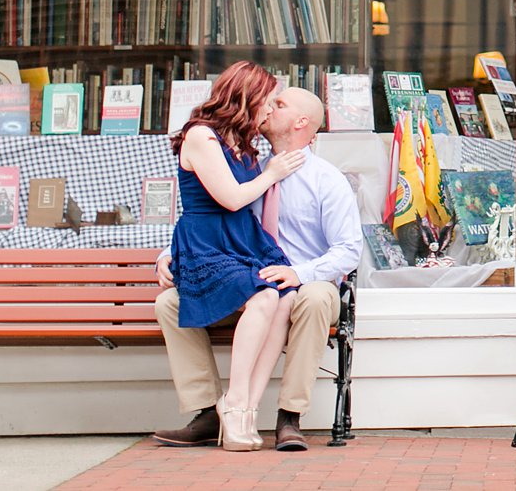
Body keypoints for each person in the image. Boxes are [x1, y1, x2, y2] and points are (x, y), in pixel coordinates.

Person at [152, 82, 362, 453]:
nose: (267, 107)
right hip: (249, 282)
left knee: (312, 299)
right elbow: (211, 219)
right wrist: (170, 255)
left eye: (278, 104)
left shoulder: (326, 180)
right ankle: (209, 412)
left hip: (305, 281)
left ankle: (289, 416)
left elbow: (349, 250)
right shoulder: (249, 171)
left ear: (300, 122)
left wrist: (301, 273)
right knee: (169, 303)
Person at [157, 61, 306, 452]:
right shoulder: (200, 136)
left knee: (283, 294)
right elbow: (231, 197)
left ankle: (245, 406)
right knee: (263, 295)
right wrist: (272, 173)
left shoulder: (240, 142)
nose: (272, 110)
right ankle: (234, 404)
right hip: (207, 244)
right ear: (247, 96)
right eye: (269, 101)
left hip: (238, 241)